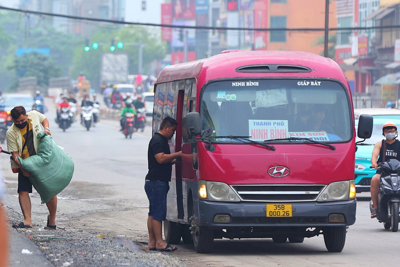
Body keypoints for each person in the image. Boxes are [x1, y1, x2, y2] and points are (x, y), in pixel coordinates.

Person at [6, 106, 57, 229]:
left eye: (22, 120)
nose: (20, 123)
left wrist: (46, 128)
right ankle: (27, 220)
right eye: (17, 122)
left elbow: (44, 119)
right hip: (25, 163)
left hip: (42, 160)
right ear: (12, 120)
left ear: (26, 116)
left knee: (49, 191)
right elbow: (15, 154)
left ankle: (52, 219)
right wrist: (23, 168)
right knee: (23, 191)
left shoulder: (34, 115)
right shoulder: (11, 133)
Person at [145, 117, 181, 252]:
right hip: (157, 183)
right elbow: (160, 158)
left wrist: (174, 160)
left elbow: (162, 161)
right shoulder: (157, 141)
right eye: (172, 130)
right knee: (158, 214)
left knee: (153, 213)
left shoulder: (160, 140)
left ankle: (152, 242)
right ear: (166, 128)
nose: (173, 134)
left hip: (154, 182)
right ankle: (160, 242)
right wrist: (178, 154)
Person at [370, 121, 400, 218]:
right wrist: (374, 163)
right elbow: (374, 155)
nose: (390, 132)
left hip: (398, 172)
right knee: (375, 180)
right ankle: (375, 207)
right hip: (383, 172)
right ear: (384, 133)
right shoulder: (380, 144)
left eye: (392, 130)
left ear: (396, 132)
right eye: (387, 130)